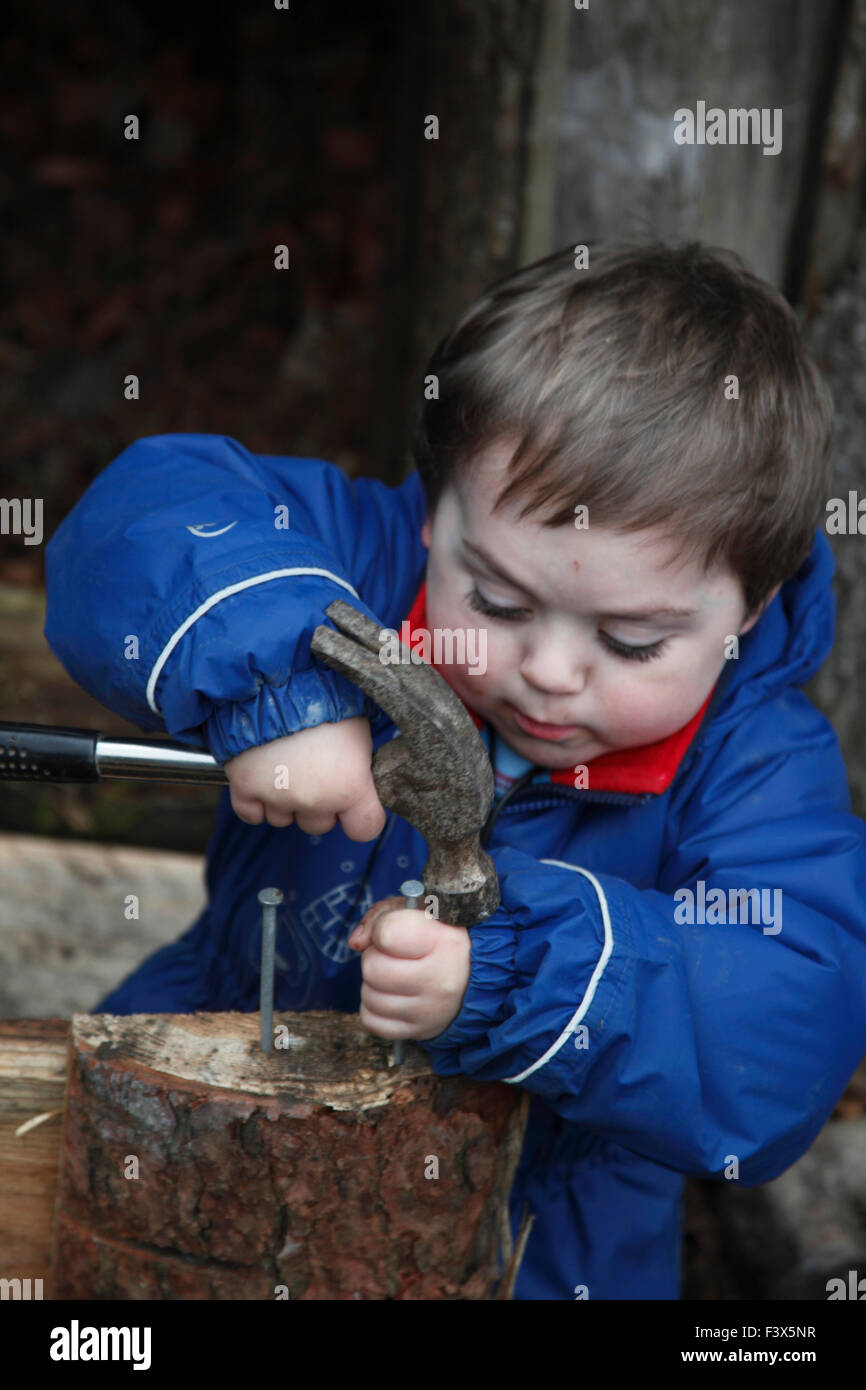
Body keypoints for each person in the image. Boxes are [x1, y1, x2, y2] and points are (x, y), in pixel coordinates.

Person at [43, 241, 866, 1300]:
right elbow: (142, 514)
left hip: (541, 1239)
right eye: (501, 601)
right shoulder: (368, 569)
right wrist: (288, 681)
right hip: (211, 1079)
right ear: (435, 511)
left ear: (747, 610)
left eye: (629, 643)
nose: (549, 672)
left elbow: (786, 1021)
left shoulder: (753, 765)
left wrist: (517, 977)